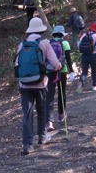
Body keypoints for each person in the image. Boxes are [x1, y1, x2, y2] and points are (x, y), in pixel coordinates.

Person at [14, 16, 62, 155]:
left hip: (24, 85)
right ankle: (42, 137)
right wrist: (58, 66)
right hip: (40, 83)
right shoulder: (44, 43)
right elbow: (55, 63)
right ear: (40, 30)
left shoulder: (22, 45)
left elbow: (17, 64)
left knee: (27, 114)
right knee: (41, 110)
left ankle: (27, 145)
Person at [45, 25, 74, 131]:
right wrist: (71, 71)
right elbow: (68, 58)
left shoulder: (48, 43)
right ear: (62, 34)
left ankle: (49, 122)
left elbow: (45, 58)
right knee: (62, 93)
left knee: (50, 96)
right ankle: (61, 115)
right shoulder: (65, 43)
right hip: (61, 70)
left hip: (49, 71)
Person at [77, 22, 96, 91]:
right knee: (94, 70)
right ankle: (94, 86)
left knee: (84, 71)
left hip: (84, 55)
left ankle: (80, 84)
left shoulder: (84, 35)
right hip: (92, 55)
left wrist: (81, 51)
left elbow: (78, 44)